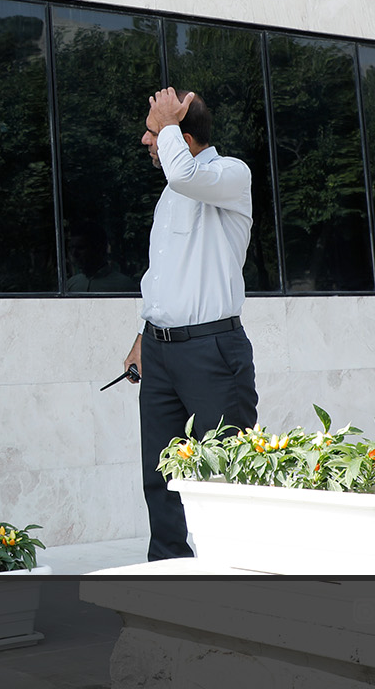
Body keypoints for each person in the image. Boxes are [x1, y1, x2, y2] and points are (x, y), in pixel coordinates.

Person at [122, 87, 258, 562]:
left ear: (183, 136)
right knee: (160, 474)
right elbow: (163, 275)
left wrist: (169, 125)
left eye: (153, 131)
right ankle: (169, 571)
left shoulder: (230, 174)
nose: (146, 140)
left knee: (229, 470)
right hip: (160, 352)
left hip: (212, 350)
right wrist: (143, 337)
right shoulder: (169, 194)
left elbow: (185, 174)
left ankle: (242, 570)